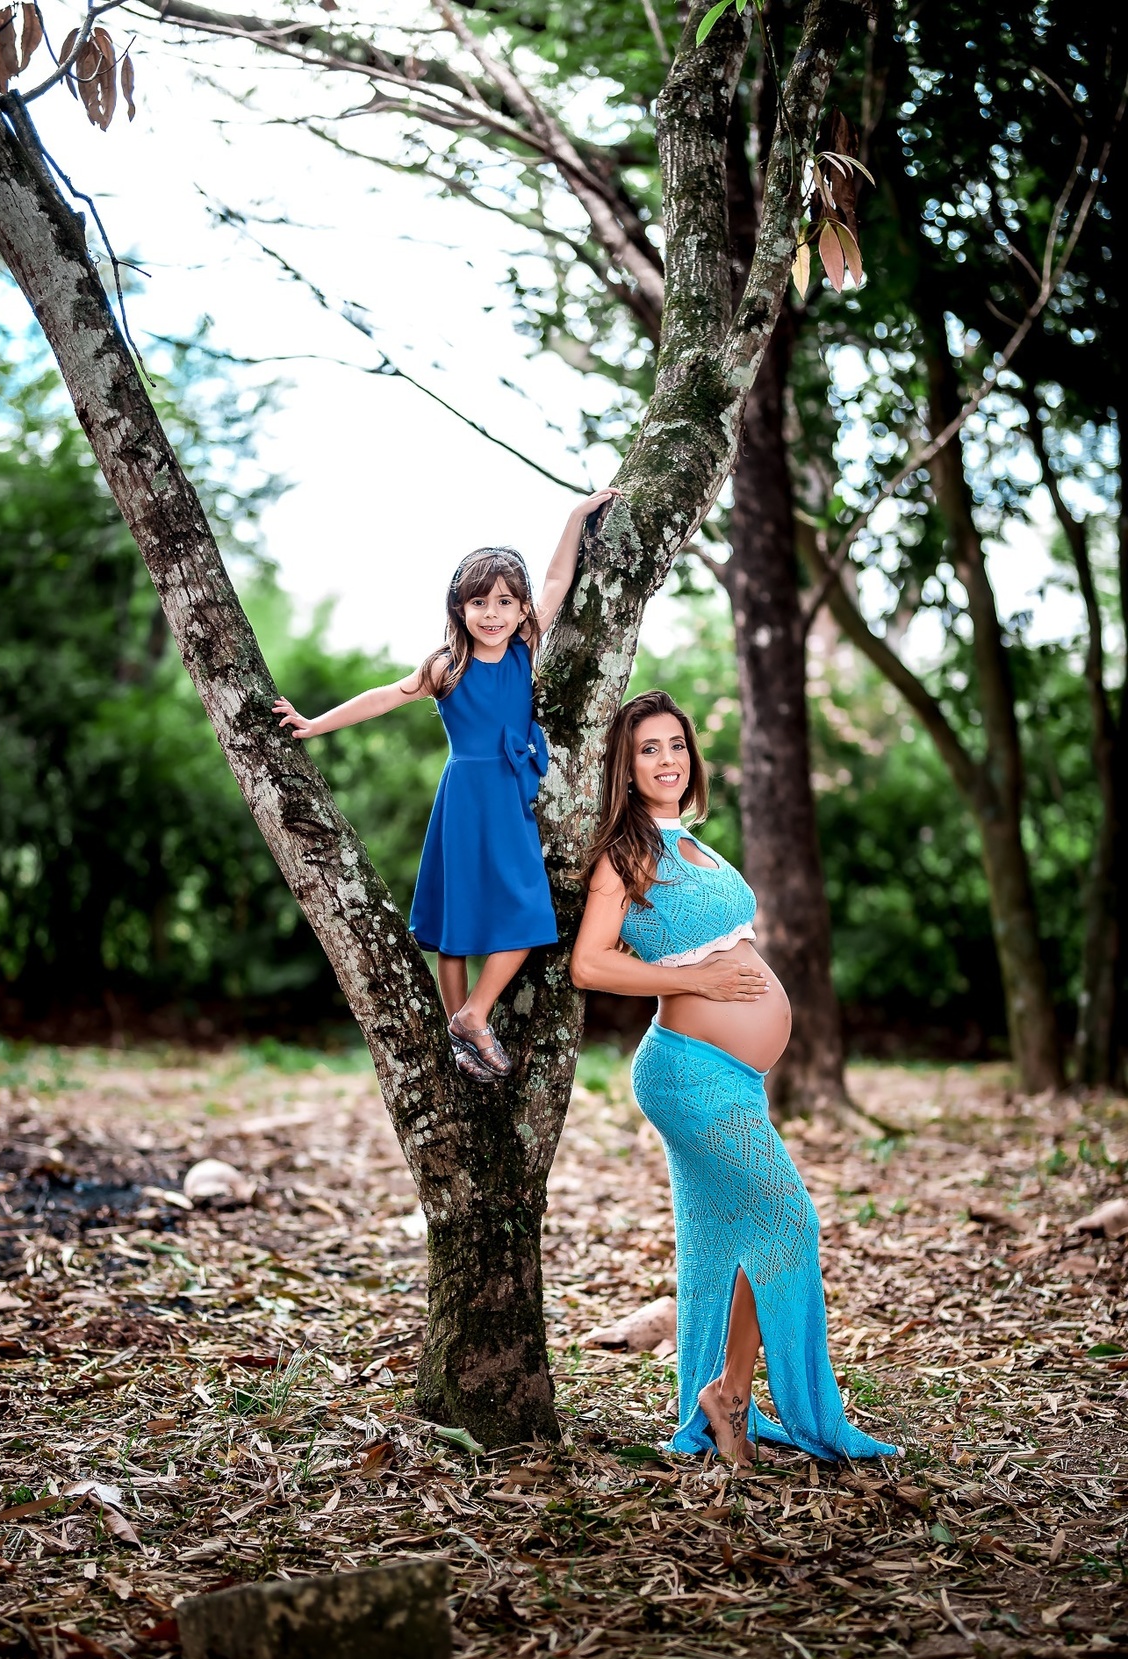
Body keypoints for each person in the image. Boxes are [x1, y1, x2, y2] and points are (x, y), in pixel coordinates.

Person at [571, 690, 896, 1466]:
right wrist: (699, 985)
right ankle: (729, 1393)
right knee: (789, 1223)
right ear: (624, 765)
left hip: (735, 1080)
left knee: (734, 1237)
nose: (667, 760)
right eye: (648, 748)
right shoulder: (626, 852)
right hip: (688, 1074)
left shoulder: (694, 844)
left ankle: (727, 1400)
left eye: (676, 745)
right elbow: (589, 962)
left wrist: (721, 980)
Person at [274, 492, 619, 1082]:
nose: (492, 613)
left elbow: (561, 576)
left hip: (510, 798)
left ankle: (473, 1014)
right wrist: (314, 723)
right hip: (463, 798)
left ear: (520, 609)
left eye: (504, 602)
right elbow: (384, 697)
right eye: (478, 602)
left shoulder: (524, 647)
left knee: (531, 915)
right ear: (459, 609)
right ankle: (455, 1033)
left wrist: (574, 518)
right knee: (454, 925)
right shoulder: (446, 666)